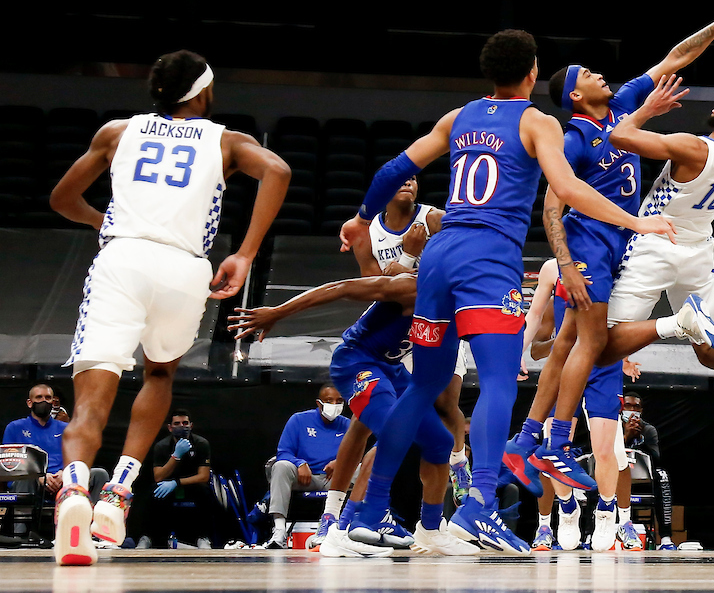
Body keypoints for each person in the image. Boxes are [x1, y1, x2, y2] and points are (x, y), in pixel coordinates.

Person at [336, 29, 677, 554]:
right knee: (498, 382)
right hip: (487, 257)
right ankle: (479, 509)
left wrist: (362, 219)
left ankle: (369, 512)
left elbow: (394, 169)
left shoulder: (458, 117)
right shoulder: (538, 121)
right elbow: (568, 189)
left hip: (440, 257)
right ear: (533, 72)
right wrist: (637, 221)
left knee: (423, 386)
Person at [505, 2, 714, 500]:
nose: (600, 73)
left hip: (631, 240)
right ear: (575, 95)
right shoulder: (573, 139)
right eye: (587, 73)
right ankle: (549, 443)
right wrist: (565, 264)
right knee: (586, 342)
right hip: (595, 241)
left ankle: (527, 440)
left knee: (572, 342)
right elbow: (552, 206)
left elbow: (676, 57)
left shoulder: (625, 100)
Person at [48, 50, 290, 566]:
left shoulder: (117, 132)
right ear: (203, 92)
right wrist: (245, 254)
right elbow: (278, 170)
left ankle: (74, 489)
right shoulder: (226, 140)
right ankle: (119, 491)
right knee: (159, 374)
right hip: (185, 268)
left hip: (123, 258)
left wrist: (101, 222)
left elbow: (62, 199)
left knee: (92, 395)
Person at [548, 17, 714, 398]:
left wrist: (647, 110)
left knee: (601, 348)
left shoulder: (693, 148)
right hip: (699, 250)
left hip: (657, 241)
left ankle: (678, 323)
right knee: (711, 355)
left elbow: (620, 135)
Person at [228, 266, 479, 556]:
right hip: (356, 361)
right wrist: (278, 312)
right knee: (392, 431)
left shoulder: (456, 310)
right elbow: (341, 287)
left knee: (440, 441)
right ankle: (349, 524)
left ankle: (432, 530)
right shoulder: (410, 288)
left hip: (393, 369)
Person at [520, 259, 642, 551]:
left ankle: (607, 512)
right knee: (553, 448)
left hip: (603, 365)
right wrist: (518, 352)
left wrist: (624, 353)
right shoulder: (552, 269)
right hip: (564, 363)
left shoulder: (612, 262)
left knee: (607, 450)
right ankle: (566, 509)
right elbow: (534, 316)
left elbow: (624, 316)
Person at [263, 385, 350, 549]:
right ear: (319, 403)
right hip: (305, 479)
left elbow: (356, 454)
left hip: (334, 480)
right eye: (329, 401)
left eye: (339, 401)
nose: (335, 405)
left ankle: (355, 529)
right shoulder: (299, 420)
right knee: (281, 466)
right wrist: (300, 463)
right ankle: (279, 530)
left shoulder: (348, 424)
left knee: (362, 468)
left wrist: (341, 462)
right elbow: (283, 452)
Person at [3, 384, 108, 512]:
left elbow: (78, 459)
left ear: (53, 402)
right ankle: (22, 524)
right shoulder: (14, 428)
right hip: (32, 482)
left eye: (48, 398)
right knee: (25, 479)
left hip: (65, 480)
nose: (44, 401)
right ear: (30, 403)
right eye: (39, 397)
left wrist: (65, 473)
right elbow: (8, 465)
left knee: (99, 474)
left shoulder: (67, 429)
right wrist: (39, 477)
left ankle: (94, 521)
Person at [620, 392, 679, 550]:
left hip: (642, 480)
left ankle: (665, 538)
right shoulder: (612, 426)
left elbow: (656, 459)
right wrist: (626, 437)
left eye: (636, 407)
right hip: (616, 477)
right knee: (596, 473)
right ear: (621, 408)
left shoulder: (648, 429)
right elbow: (605, 454)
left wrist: (640, 439)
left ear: (641, 410)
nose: (632, 411)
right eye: (628, 406)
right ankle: (589, 535)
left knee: (662, 475)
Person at [147, 409, 212, 548]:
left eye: (185, 423)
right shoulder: (162, 446)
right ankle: (150, 538)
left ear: (191, 425)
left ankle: (203, 537)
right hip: (167, 486)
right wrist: (176, 456)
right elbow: (158, 476)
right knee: (153, 492)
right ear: (170, 427)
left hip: (191, 485)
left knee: (205, 491)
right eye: (177, 423)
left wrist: (177, 483)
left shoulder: (201, 444)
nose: (182, 426)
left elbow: (204, 476)